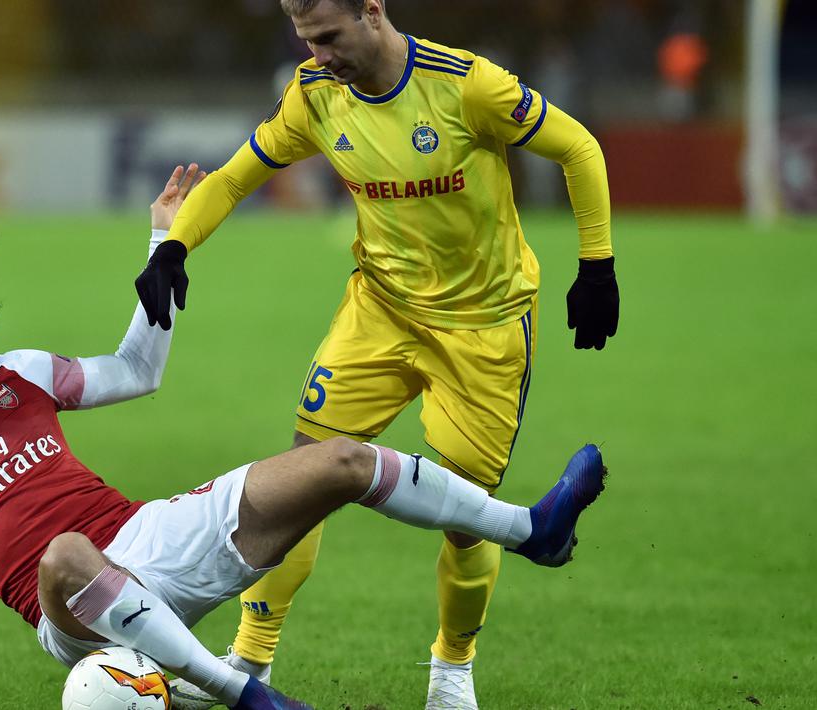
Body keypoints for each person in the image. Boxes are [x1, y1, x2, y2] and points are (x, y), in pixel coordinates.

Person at [0, 166, 606, 710]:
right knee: (69, 552)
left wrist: (163, 238)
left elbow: (136, 371)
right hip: (69, 609)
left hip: (151, 541)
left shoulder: (19, 378)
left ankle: (531, 530)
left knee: (337, 459)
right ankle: (240, 692)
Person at [133, 2, 618, 708]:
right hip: (380, 310)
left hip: (481, 329)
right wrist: (175, 245)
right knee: (300, 477)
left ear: (371, 12)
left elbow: (578, 147)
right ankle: (250, 658)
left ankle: (451, 671)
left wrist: (596, 264)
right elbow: (236, 176)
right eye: (306, 41)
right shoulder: (314, 93)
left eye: (328, 37)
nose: (319, 54)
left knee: (466, 516)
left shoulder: (467, 86)